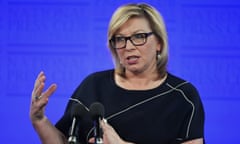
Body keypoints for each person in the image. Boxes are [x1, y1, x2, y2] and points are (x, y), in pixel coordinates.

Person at [30, 3, 205, 144]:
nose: (128, 47)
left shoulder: (183, 96)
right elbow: (65, 141)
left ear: (159, 42)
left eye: (139, 37)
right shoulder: (93, 85)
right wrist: (39, 120)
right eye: (120, 39)